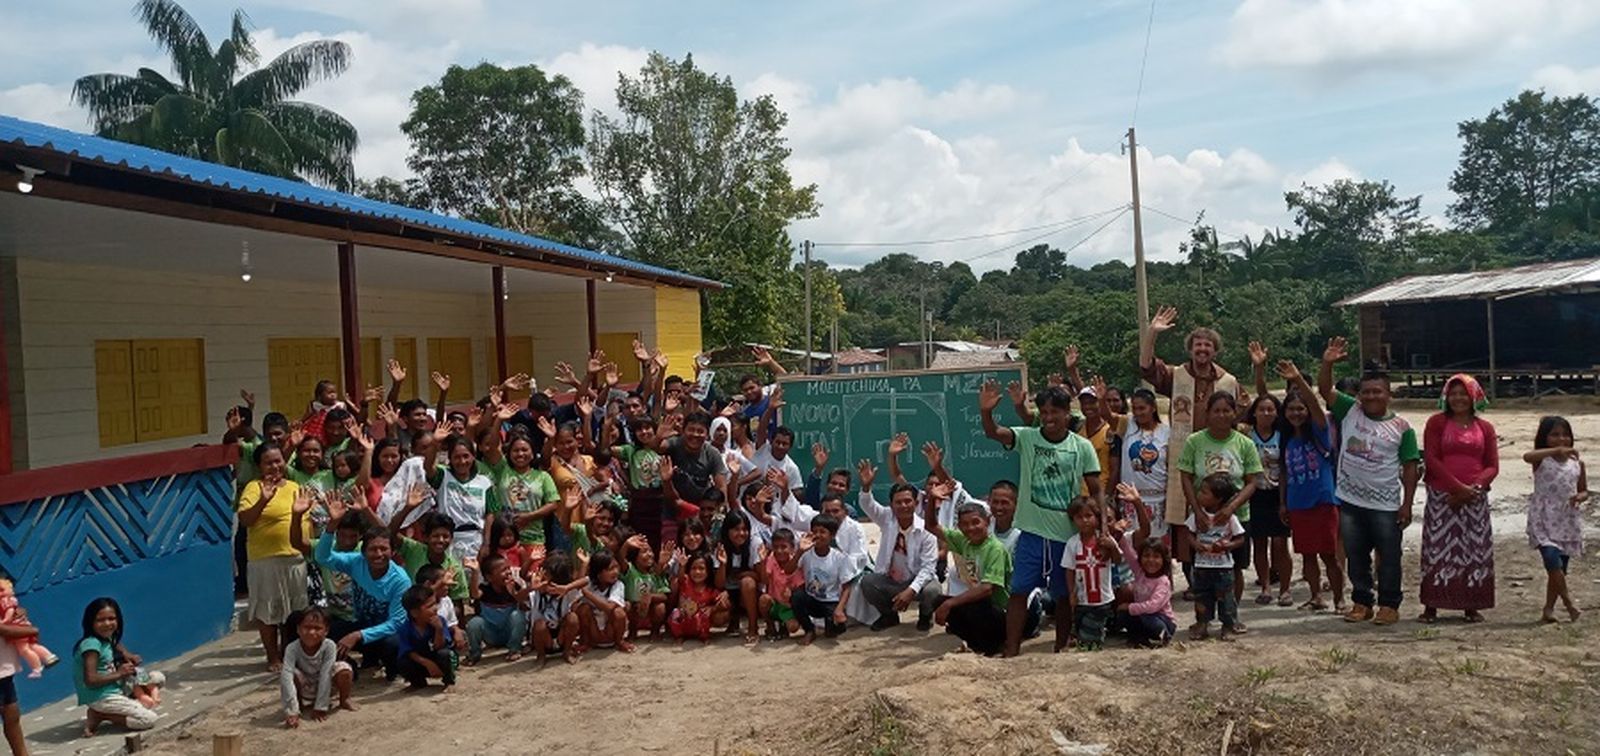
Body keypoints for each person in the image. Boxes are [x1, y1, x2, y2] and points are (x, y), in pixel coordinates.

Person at [978, 381, 1102, 656]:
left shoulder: (1081, 447)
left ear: (1067, 413)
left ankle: (1060, 647)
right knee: (1019, 591)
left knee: (1061, 595)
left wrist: (1101, 529)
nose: (1048, 418)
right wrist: (986, 412)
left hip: (1065, 536)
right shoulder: (1028, 437)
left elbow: (1096, 490)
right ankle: (1012, 648)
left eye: (1054, 412)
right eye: (1043, 412)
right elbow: (993, 432)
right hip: (1031, 533)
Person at [1319, 337, 1421, 626]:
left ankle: (1389, 604)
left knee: (1389, 556)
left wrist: (1407, 504)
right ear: (1359, 395)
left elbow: (1410, 467)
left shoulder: (1402, 428)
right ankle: (1361, 601)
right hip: (1350, 501)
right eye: (1366, 392)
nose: (1371, 397)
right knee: (1356, 554)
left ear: (1389, 395)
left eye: (1378, 392)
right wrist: (1327, 362)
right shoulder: (1350, 411)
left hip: (1386, 504)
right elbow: (1325, 389)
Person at [1139, 306, 1242, 564]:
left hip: (1218, 459)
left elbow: (1243, 415)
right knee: (1185, 515)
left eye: (1207, 346)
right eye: (1198, 345)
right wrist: (1152, 332)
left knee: (1218, 513)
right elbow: (1147, 367)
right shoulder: (1177, 376)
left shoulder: (1229, 381)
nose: (1202, 350)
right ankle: (1191, 574)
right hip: (1184, 456)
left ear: (1215, 351)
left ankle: (1220, 567)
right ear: (1190, 349)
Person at [1419, 374, 1500, 624]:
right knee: (1437, 549)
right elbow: (1432, 459)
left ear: (1474, 396)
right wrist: (1456, 488)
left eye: (1463, 393)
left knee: (1474, 550)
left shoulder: (1485, 428)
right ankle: (1431, 606)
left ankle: (1471, 605)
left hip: (1475, 498)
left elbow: (1492, 465)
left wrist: (1472, 489)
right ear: (1446, 396)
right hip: (1441, 496)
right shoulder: (1436, 423)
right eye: (1453, 393)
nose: (1458, 398)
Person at [1176, 392, 1262, 621]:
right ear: (1207, 414)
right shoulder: (1194, 441)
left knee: (1234, 567)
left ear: (1234, 413)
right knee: (1202, 569)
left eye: (1227, 410)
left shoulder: (1245, 443)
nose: (1222, 415)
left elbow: (1253, 481)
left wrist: (1230, 508)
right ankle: (1203, 619)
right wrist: (1196, 510)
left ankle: (1231, 617)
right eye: (1216, 410)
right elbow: (1185, 477)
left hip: (1237, 516)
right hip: (1203, 518)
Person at [305, 498, 411, 681]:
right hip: (362, 625)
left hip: (385, 633)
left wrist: (357, 635)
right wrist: (332, 525)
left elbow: (396, 623)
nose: (378, 554)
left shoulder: (400, 580)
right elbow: (323, 557)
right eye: (372, 549)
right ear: (363, 551)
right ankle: (345, 666)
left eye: (383, 549)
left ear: (392, 552)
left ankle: (393, 670)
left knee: (392, 642)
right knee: (320, 630)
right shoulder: (356, 562)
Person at [1277, 360, 1346, 613]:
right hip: (1297, 503)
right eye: (1291, 409)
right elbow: (1283, 472)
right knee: (1306, 554)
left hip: (1323, 500)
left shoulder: (1320, 432)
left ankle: (1339, 598)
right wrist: (1283, 502)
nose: (1296, 413)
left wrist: (1299, 381)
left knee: (1329, 554)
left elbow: (1316, 406)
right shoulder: (1287, 440)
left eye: (1300, 409)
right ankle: (1316, 596)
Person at [236, 442, 309, 672]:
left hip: (295, 558)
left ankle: (289, 653)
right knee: (269, 613)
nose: (275, 466)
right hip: (266, 561)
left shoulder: (295, 486)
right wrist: (264, 500)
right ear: (259, 466)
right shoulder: (254, 487)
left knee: (293, 613)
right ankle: (272, 657)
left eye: (278, 460)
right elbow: (245, 520)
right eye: (268, 462)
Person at [922, 491, 1012, 656]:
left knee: (967, 607)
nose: (970, 528)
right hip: (980, 603)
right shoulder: (964, 541)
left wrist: (950, 604)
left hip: (1000, 610)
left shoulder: (995, 549)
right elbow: (931, 526)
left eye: (975, 522)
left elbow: (987, 589)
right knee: (939, 601)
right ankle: (976, 644)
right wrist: (932, 499)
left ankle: (993, 645)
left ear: (987, 521)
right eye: (965, 524)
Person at [855, 467, 941, 632]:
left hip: (917, 581)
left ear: (916, 503)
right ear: (892, 505)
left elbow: (928, 568)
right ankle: (889, 616)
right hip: (891, 581)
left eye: (908, 501)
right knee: (868, 582)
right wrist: (866, 487)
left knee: (934, 589)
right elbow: (868, 505)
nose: (903, 506)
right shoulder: (887, 518)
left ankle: (925, 616)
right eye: (898, 502)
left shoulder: (926, 530)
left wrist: (911, 590)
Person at [1525, 416, 1588, 624]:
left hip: (1566, 519)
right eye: (1554, 435)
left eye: (1565, 435)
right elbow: (1527, 456)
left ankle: (1549, 609)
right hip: (1543, 517)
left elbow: (1583, 490)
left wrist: (1580, 496)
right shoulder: (1542, 460)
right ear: (1544, 438)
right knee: (1551, 559)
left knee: (1560, 567)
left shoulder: (1577, 463)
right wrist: (1555, 451)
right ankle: (1569, 603)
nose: (1561, 439)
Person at [75, 598, 165, 736]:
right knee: (148, 719)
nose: (107, 624)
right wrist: (119, 673)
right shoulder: (91, 646)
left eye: (111, 619)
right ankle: (101, 715)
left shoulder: (107, 638)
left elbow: (116, 644)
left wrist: (128, 654)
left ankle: (131, 703)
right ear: (90, 622)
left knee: (158, 678)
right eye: (100, 620)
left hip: (115, 686)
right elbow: (90, 680)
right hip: (100, 695)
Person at [1243, 391, 1293, 607]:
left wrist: (1283, 502)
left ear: (1277, 413)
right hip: (1254, 495)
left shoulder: (1283, 436)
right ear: (1253, 412)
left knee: (1281, 543)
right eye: (1261, 409)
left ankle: (1285, 588)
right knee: (1260, 543)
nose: (1266, 413)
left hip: (1278, 494)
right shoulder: (1246, 435)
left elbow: (1284, 470)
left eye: (1270, 409)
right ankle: (1265, 586)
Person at [1185, 474, 1246, 641]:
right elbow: (1189, 533)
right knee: (1202, 598)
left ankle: (1228, 625)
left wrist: (1227, 546)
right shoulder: (1198, 516)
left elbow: (1240, 538)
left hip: (1223, 568)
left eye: (1205, 493)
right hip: (1202, 566)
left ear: (1218, 499)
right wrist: (1196, 545)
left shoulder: (1229, 519)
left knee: (1226, 599)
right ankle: (1202, 624)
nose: (1199, 495)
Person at [1062, 498, 1125, 650]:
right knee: (1081, 624)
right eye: (1079, 517)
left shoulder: (1105, 540)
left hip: (1102, 598)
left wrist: (1113, 547)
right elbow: (1069, 570)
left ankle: (1092, 642)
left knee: (1090, 631)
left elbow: (1118, 560)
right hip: (1082, 597)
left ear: (1097, 517)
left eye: (1088, 516)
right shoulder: (1072, 543)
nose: (1085, 521)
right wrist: (1071, 592)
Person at [278, 608, 354, 729]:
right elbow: (286, 676)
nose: (311, 632)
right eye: (306, 627)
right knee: (289, 673)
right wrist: (291, 711)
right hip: (305, 686)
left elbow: (326, 673)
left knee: (344, 669)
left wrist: (321, 706)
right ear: (298, 629)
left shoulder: (329, 646)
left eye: (317, 628)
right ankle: (298, 707)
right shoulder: (292, 648)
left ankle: (344, 699)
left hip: (328, 685)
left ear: (326, 631)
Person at [791, 513, 857, 645]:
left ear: (831, 535)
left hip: (830, 602)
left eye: (823, 532)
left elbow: (846, 586)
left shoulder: (839, 558)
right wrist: (799, 551)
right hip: (811, 599)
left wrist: (839, 609)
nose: (818, 535)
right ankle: (809, 630)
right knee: (797, 596)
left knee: (834, 631)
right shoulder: (806, 554)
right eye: (815, 531)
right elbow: (788, 570)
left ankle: (832, 622)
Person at [466, 554, 531, 664]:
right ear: (489, 577)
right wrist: (475, 572)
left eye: (508, 568)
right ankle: (475, 653)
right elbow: (475, 594)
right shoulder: (485, 589)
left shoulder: (514, 585)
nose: (508, 572)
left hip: (509, 632)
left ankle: (514, 649)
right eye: (503, 570)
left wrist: (514, 593)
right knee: (474, 623)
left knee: (518, 616)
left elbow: (524, 604)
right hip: (491, 633)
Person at [715, 510, 763, 643]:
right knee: (719, 617)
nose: (741, 533)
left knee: (747, 582)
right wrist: (723, 565)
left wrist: (746, 573)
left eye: (745, 529)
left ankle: (753, 627)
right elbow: (719, 583)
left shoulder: (755, 543)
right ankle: (733, 620)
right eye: (736, 529)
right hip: (730, 591)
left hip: (751, 592)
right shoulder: (720, 546)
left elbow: (763, 578)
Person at [395, 585, 455, 692]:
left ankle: (449, 681)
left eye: (435, 604)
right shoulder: (406, 628)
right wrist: (427, 663)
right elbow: (408, 651)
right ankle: (418, 682)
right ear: (415, 613)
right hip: (421, 662)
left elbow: (440, 646)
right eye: (429, 606)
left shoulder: (440, 621)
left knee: (445, 654)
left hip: (439, 659)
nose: (435, 608)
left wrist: (439, 630)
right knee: (403, 661)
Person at [529, 552, 585, 664]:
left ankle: (567, 651)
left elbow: (584, 581)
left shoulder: (567, 593)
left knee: (572, 618)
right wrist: (533, 588)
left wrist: (584, 564)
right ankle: (541, 655)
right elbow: (518, 597)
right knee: (539, 624)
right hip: (543, 638)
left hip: (562, 636)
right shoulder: (535, 593)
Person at [579, 550, 634, 653]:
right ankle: (585, 642)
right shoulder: (591, 584)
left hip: (611, 633)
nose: (616, 572)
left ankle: (619, 641)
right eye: (610, 569)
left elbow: (609, 608)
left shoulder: (618, 585)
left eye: (616, 567)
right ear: (599, 574)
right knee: (583, 608)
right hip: (594, 633)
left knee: (619, 611)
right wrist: (584, 564)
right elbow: (580, 584)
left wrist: (587, 594)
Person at [0, 578, 54, 678]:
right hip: (4, 668)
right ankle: (42, 662)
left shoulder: (6, 602)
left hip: (6, 668)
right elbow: (5, 630)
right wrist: (31, 630)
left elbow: (13, 613)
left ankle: (43, 662)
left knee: (27, 648)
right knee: (27, 648)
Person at [758, 528, 805, 640]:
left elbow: (801, 586)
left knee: (793, 627)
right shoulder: (771, 560)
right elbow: (764, 580)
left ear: (792, 548)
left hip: (789, 606)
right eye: (776, 547)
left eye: (783, 547)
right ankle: (770, 626)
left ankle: (784, 624)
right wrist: (763, 561)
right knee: (764, 599)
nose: (779, 551)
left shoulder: (796, 563)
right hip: (774, 603)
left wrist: (792, 593)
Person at [1, 602, 34, 755]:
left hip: (3, 671)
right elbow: (4, 629)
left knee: (11, 714)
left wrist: (17, 613)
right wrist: (31, 630)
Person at [668, 552, 724, 644]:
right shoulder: (686, 582)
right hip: (684, 620)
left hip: (698, 623)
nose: (697, 572)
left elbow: (723, 604)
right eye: (693, 568)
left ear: (708, 571)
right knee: (675, 613)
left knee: (704, 615)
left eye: (701, 568)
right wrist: (682, 565)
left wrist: (712, 608)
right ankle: (679, 636)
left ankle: (704, 637)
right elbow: (680, 578)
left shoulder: (710, 590)